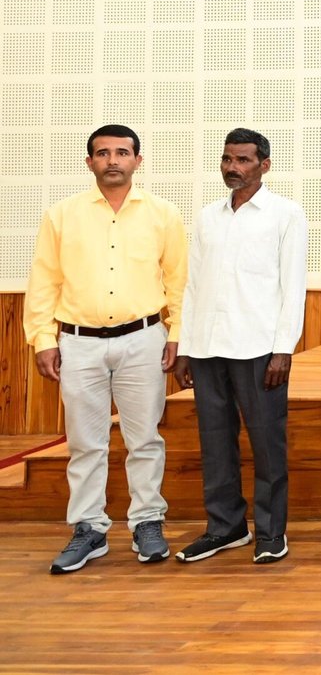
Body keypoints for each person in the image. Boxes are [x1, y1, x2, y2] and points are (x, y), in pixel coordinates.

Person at [24, 125, 188, 574]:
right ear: (89, 162)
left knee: (145, 438)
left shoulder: (163, 214)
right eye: (103, 153)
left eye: (122, 152)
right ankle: (89, 528)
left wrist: (177, 333)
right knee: (84, 442)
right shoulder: (62, 215)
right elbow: (44, 281)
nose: (112, 160)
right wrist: (43, 338)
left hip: (143, 340)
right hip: (78, 343)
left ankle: (147, 522)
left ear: (138, 160)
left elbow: (179, 281)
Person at [173, 128, 307, 565]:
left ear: (264, 165)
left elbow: (293, 287)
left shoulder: (285, 214)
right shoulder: (207, 216)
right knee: (215, 442)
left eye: (244, 160)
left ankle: (271, 532)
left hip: (259, 347)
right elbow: (193, 285)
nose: (233, 167)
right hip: (208, 346)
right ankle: (225, 527)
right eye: (228, 159)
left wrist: (283, 348)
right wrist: (187, 346)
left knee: (267, 443)